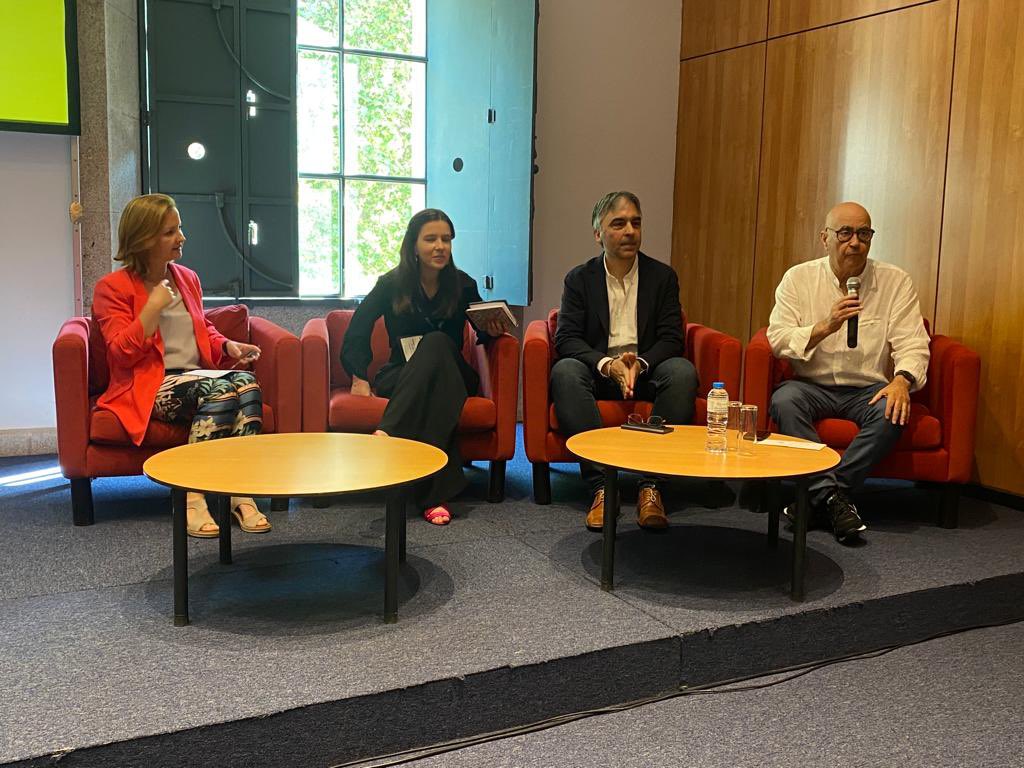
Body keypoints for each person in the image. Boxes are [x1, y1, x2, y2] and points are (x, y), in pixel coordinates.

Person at [92, 194, 271, 538]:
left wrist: (227, 345)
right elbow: (120, 353)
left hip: (195, 375)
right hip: (151, 383)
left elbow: (203, 326)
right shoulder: (111, 288)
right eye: (170, 232)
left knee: (247, 384)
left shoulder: (186, 277)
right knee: (220, 392)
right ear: (143, 240)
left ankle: (239, 489)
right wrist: (152, 308)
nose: (181, 237)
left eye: (179, 228)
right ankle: (191, 496)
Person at [767, 201, 931, 542]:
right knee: (784, 401)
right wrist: (825, 326)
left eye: (863, 233)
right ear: (824, 238)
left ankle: (823, 496)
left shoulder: (895, 281)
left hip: (866, 389)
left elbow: (913, 343)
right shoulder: (798, 279)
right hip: (811, 385)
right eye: (845, 233)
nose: (854, 242)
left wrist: (902, 380)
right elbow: (778, 339)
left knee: (892, 411)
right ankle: (833, 500)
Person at [341, 209, 508, 526]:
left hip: (453, 373)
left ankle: (388, 432)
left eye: (446, 239)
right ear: (413, 245)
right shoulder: (391, 284)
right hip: (402, 374)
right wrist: (359, 376)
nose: (440, 246)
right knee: (436, 394)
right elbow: (358, 328)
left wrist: (494, 327)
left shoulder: (462, 284)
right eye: (431, 239)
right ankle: (434, 497)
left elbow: (482, 326)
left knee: (437, 342)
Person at [551, 191, 700, 531]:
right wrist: (607, 363)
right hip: (600, 370)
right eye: (618, 224)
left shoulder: (662, 277)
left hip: (646, 368)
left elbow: (671, 338)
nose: (630, 231)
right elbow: (567, 338)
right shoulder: (579, 279)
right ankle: (603, 487)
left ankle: (652, 486)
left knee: (682, 371)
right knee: (565, 372)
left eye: (636, 222)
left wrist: (641, 363)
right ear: (597, 233)